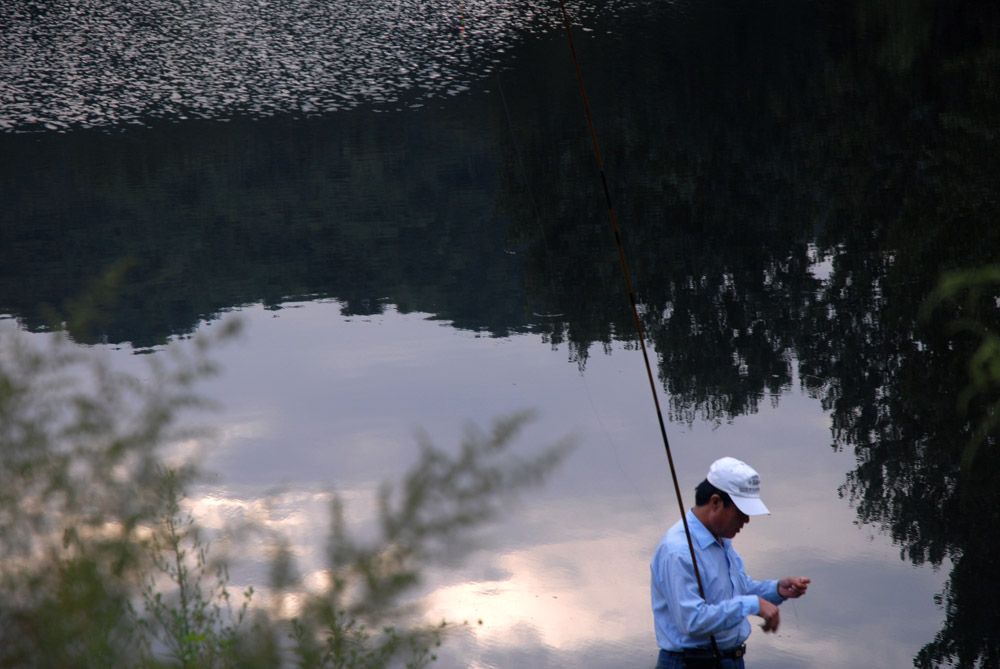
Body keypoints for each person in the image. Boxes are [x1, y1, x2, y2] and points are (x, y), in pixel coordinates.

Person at [650, 457, 810, 668]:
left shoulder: (721, 540)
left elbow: (737, 591)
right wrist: (753, 604)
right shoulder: (678, 550)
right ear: (715, 502)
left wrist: (777, 590)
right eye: (741, 512)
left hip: (728, 660)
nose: (746, 520)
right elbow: (693, 621)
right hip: (690, 663)